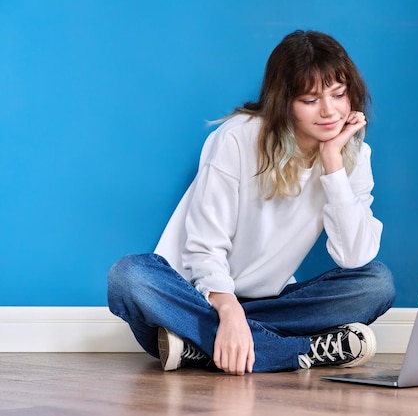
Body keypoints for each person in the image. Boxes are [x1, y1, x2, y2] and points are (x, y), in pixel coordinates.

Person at [107, 29, 396, 376]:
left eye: (339, 94)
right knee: (129, 277)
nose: (330, 111)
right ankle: (301, 351)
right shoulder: (238, 138)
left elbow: (354, 257)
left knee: (377, 283)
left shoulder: (354, 154)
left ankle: (199, 347)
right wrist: (228, 312)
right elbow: (204, 247)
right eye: (310, 100)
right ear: (284, 102)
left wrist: (333, 164)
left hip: (268, 304)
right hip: (195, 297)